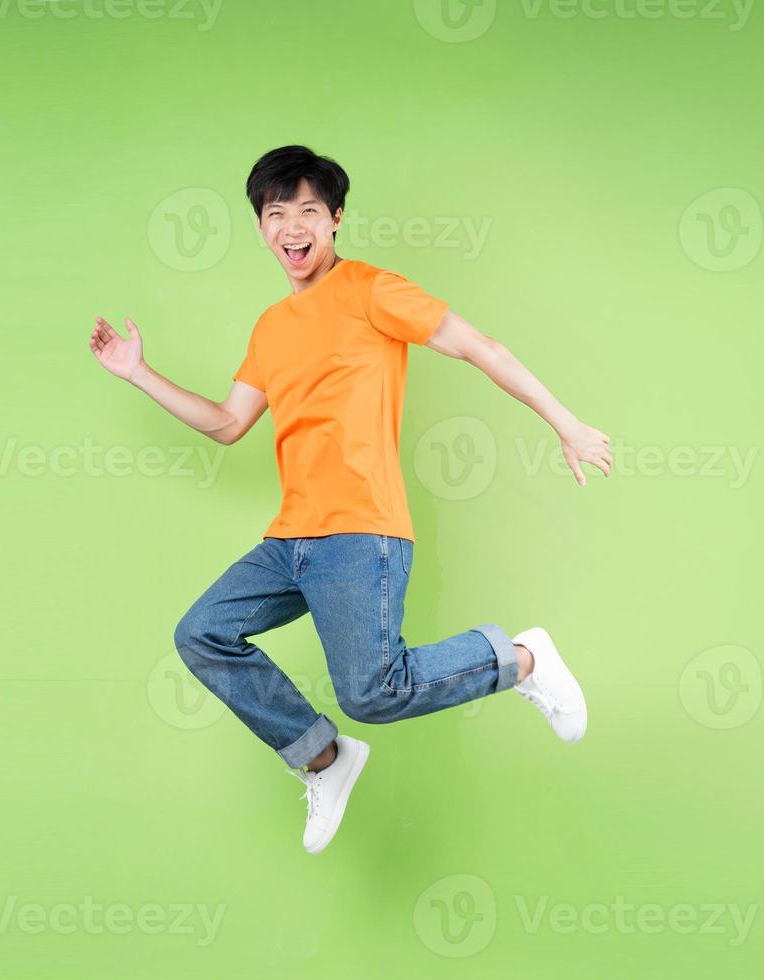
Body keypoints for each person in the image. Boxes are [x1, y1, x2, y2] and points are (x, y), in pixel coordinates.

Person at [89, 145, 612, 853]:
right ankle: (324, 759)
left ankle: (521, 659)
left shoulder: (372, 289)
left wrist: (566, 423)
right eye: (276, 214)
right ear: (261, 229)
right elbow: (226, 422)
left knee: (371, 692)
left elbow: (478, 346)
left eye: (307, 210)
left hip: (362, 532)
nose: (292, 226)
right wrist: (137, 372)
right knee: (201, 634)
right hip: (290, 542)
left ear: (334, 219)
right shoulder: (272, 326)